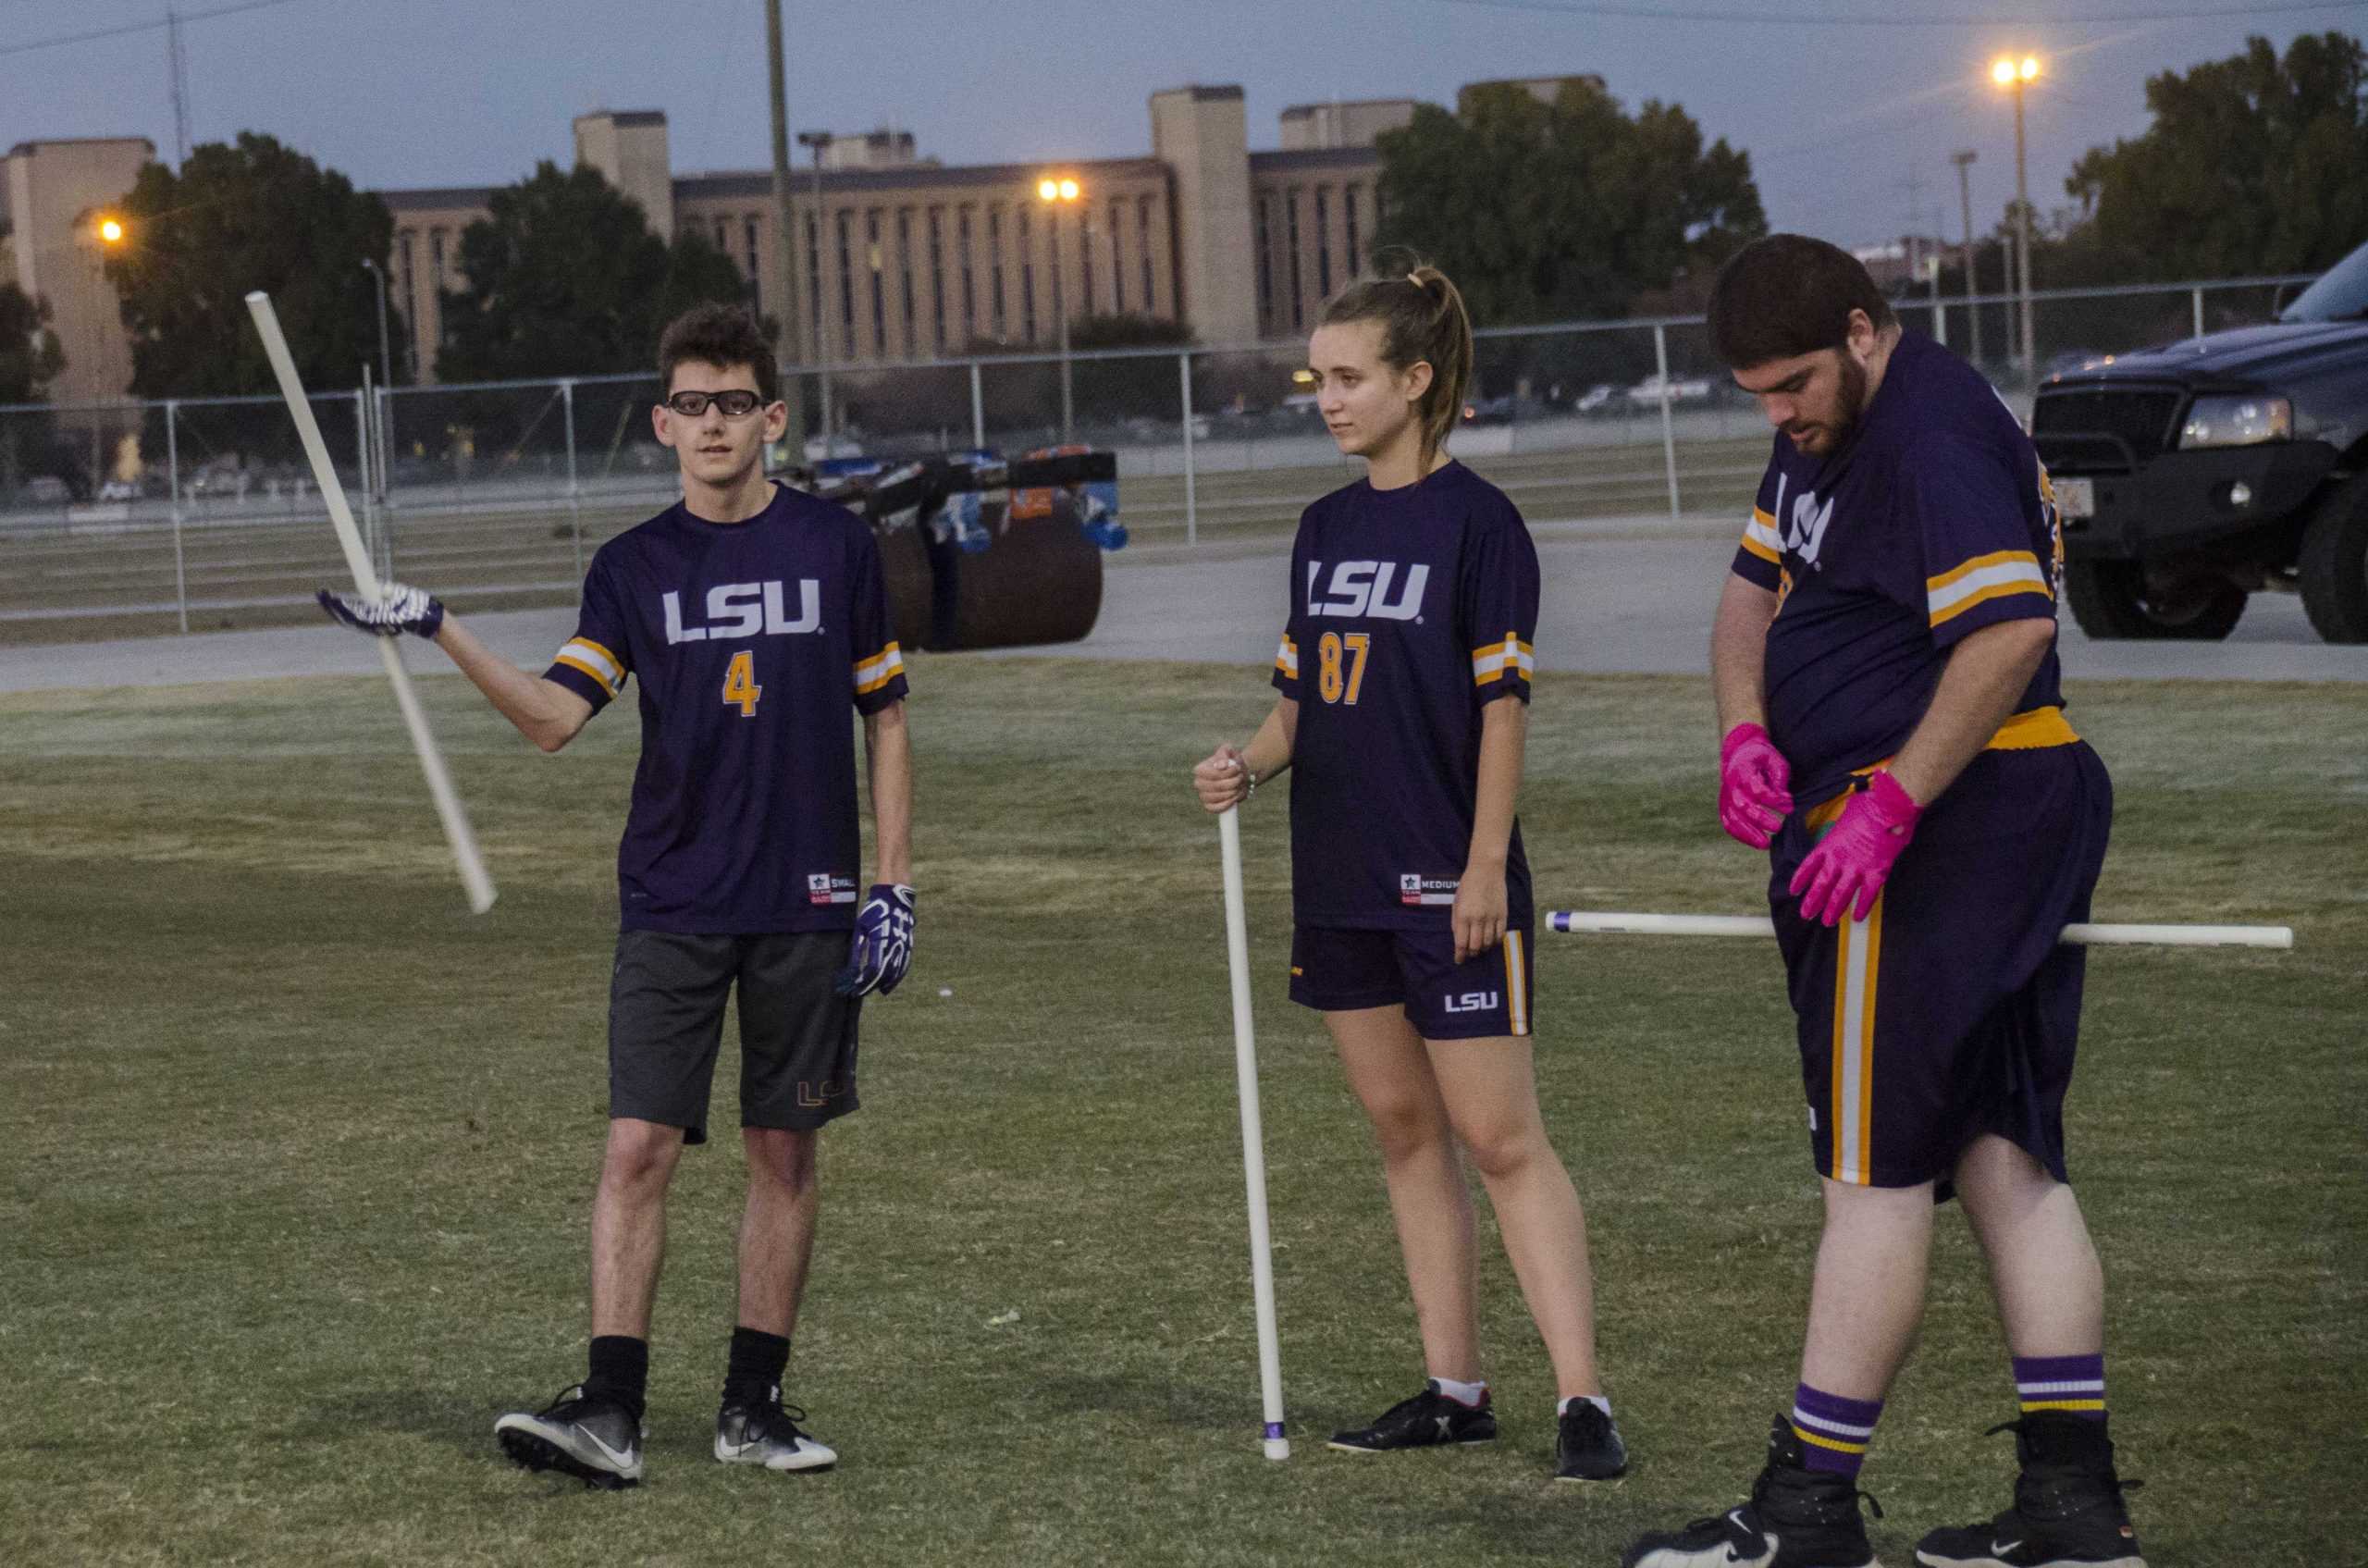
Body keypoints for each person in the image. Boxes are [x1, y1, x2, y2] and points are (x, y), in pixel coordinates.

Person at [316, 302, 914, 1489]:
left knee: (783, 1154)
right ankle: (611, 1410)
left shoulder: (837, 551)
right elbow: (553, 720)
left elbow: (886, 717)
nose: (711, 423)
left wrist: (891, 886)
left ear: (772, 418)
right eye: (690, 404)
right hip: (673, 901)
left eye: (733, 403)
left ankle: (754, 1406)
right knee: (639, 1145)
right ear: (661, 422)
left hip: (806, 901)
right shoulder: (631, 568)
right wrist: (440, 626)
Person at [1623, 235, 2138, 1568]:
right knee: (2004, 1154)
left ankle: (1808, 1511)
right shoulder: (1821, 429)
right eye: (1755, 394)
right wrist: (1746, 732)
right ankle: (2075, 1507)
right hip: (1972, 814)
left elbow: (2011, 627)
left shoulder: (1929, 427)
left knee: (1872, 1168)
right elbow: (1754, 595)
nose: (1777, 414)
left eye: (1790, 383)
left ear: (1862, 330)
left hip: (1946, 826)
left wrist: (1893, 801)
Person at [1190, 265, 1625, 1483]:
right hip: (1338, 876)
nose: (1325, 398)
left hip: (1451, 880)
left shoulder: (1481, 525)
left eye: (1348, 377)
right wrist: (1248, 763)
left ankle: (1583, 1394)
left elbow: (1502, 712)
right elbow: (1300, 705)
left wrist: (1485, 861)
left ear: (1417, 380)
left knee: (1499, 1134)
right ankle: (1455, 1386)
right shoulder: (1325, 528)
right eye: (1317, 378)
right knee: (1401, 1128)